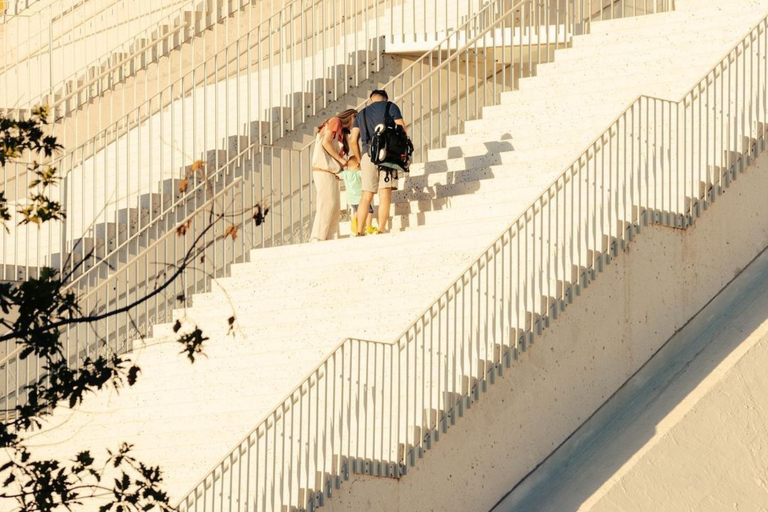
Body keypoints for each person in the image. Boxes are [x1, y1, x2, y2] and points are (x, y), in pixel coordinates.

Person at [349, 89, 407, 235]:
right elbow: (402, 129)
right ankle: (381, 229)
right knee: (385, 193)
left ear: (371, 100)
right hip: (387, 155)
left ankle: (359, 231)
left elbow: (352, 140)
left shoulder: (361, 113)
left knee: (366, 195)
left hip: (367, 156)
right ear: (385, 99)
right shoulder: (390, 106)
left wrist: (359, 158)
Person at [309, 108, 358, 242]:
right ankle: (318, 236)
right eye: (356, 120)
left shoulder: (343, 132)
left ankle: (327, 236)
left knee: (334, 206)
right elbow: (326, 142)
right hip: (323, 169)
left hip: (331, 171)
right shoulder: (335, 121)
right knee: (326, 203)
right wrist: (341, 161)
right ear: (351, 117)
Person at [338, 157, 377, 235]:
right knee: (369, 211)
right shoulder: (358, 173)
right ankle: (369, 226)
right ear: (357, 166)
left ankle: (354, 222)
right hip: (360, 198)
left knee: (356, 211)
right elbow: (366, 176)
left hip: (351, 199)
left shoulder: (345, 174)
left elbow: (338, 175)